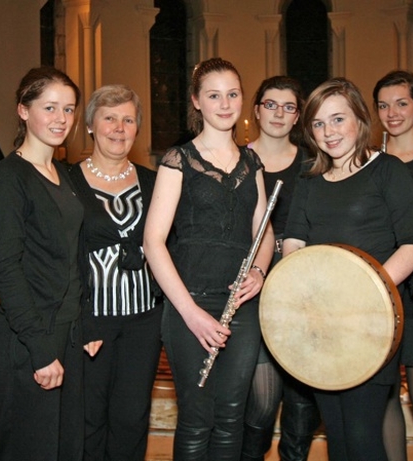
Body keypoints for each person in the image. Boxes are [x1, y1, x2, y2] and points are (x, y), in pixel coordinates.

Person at [282, 78, 413, 461]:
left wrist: (365, 289)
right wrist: (299, 292)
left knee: (363, 436)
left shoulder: (387, 171)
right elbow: (293, 242)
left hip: (371, 322)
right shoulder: (309, 181)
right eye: (318, 123)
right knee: (339, 438)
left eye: (338, 119)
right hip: (321, 326)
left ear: (360, 120)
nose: (329, 132)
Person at [143, 57, 275, 460]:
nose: (224, 103)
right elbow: (153, 241)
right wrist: (190, 312)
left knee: (232, 416)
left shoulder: (252, 162)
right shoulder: (178, 159)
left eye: (232, 94)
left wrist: (259, 270)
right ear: (196, 101)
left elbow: (264, 232)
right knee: (198, 419)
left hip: (242, 306)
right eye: (214, 95)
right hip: (191, 302)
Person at [0, 66, 84, 461]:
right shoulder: (8, 178)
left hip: (68, 332)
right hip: (28, 339)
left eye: (69, 109)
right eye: (50, 107)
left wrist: (85, 325)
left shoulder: (64, 173)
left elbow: (75, 256)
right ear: (23, 111)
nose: (61, 119)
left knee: (65, 449)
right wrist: (40, 349)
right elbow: (6, 270)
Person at [68, 84, 162, 461]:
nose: (119, 127)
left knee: (132, 417)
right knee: (89, 419)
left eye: (128, 119)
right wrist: (81, 319)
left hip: (144, 320)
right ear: (91, 125)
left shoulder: (155, 182)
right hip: (91, 319)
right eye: (109, 118)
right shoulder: (65, 182)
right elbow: (63, 256)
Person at [241, 76, 321, 461]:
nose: (279, 113)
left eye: (289, 107)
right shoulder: (237, 160)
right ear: (256, 111)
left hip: (300, 285)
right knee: (261, 399)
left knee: (303, 396)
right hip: (251, 285)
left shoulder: (313, 162)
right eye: (270, 104)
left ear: (297, 117)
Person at [372, 70, 413, 461]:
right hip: (381, 290)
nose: (392, 113)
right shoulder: (370, 164)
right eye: (383, 105)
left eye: (401, 103)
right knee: (386, 396)